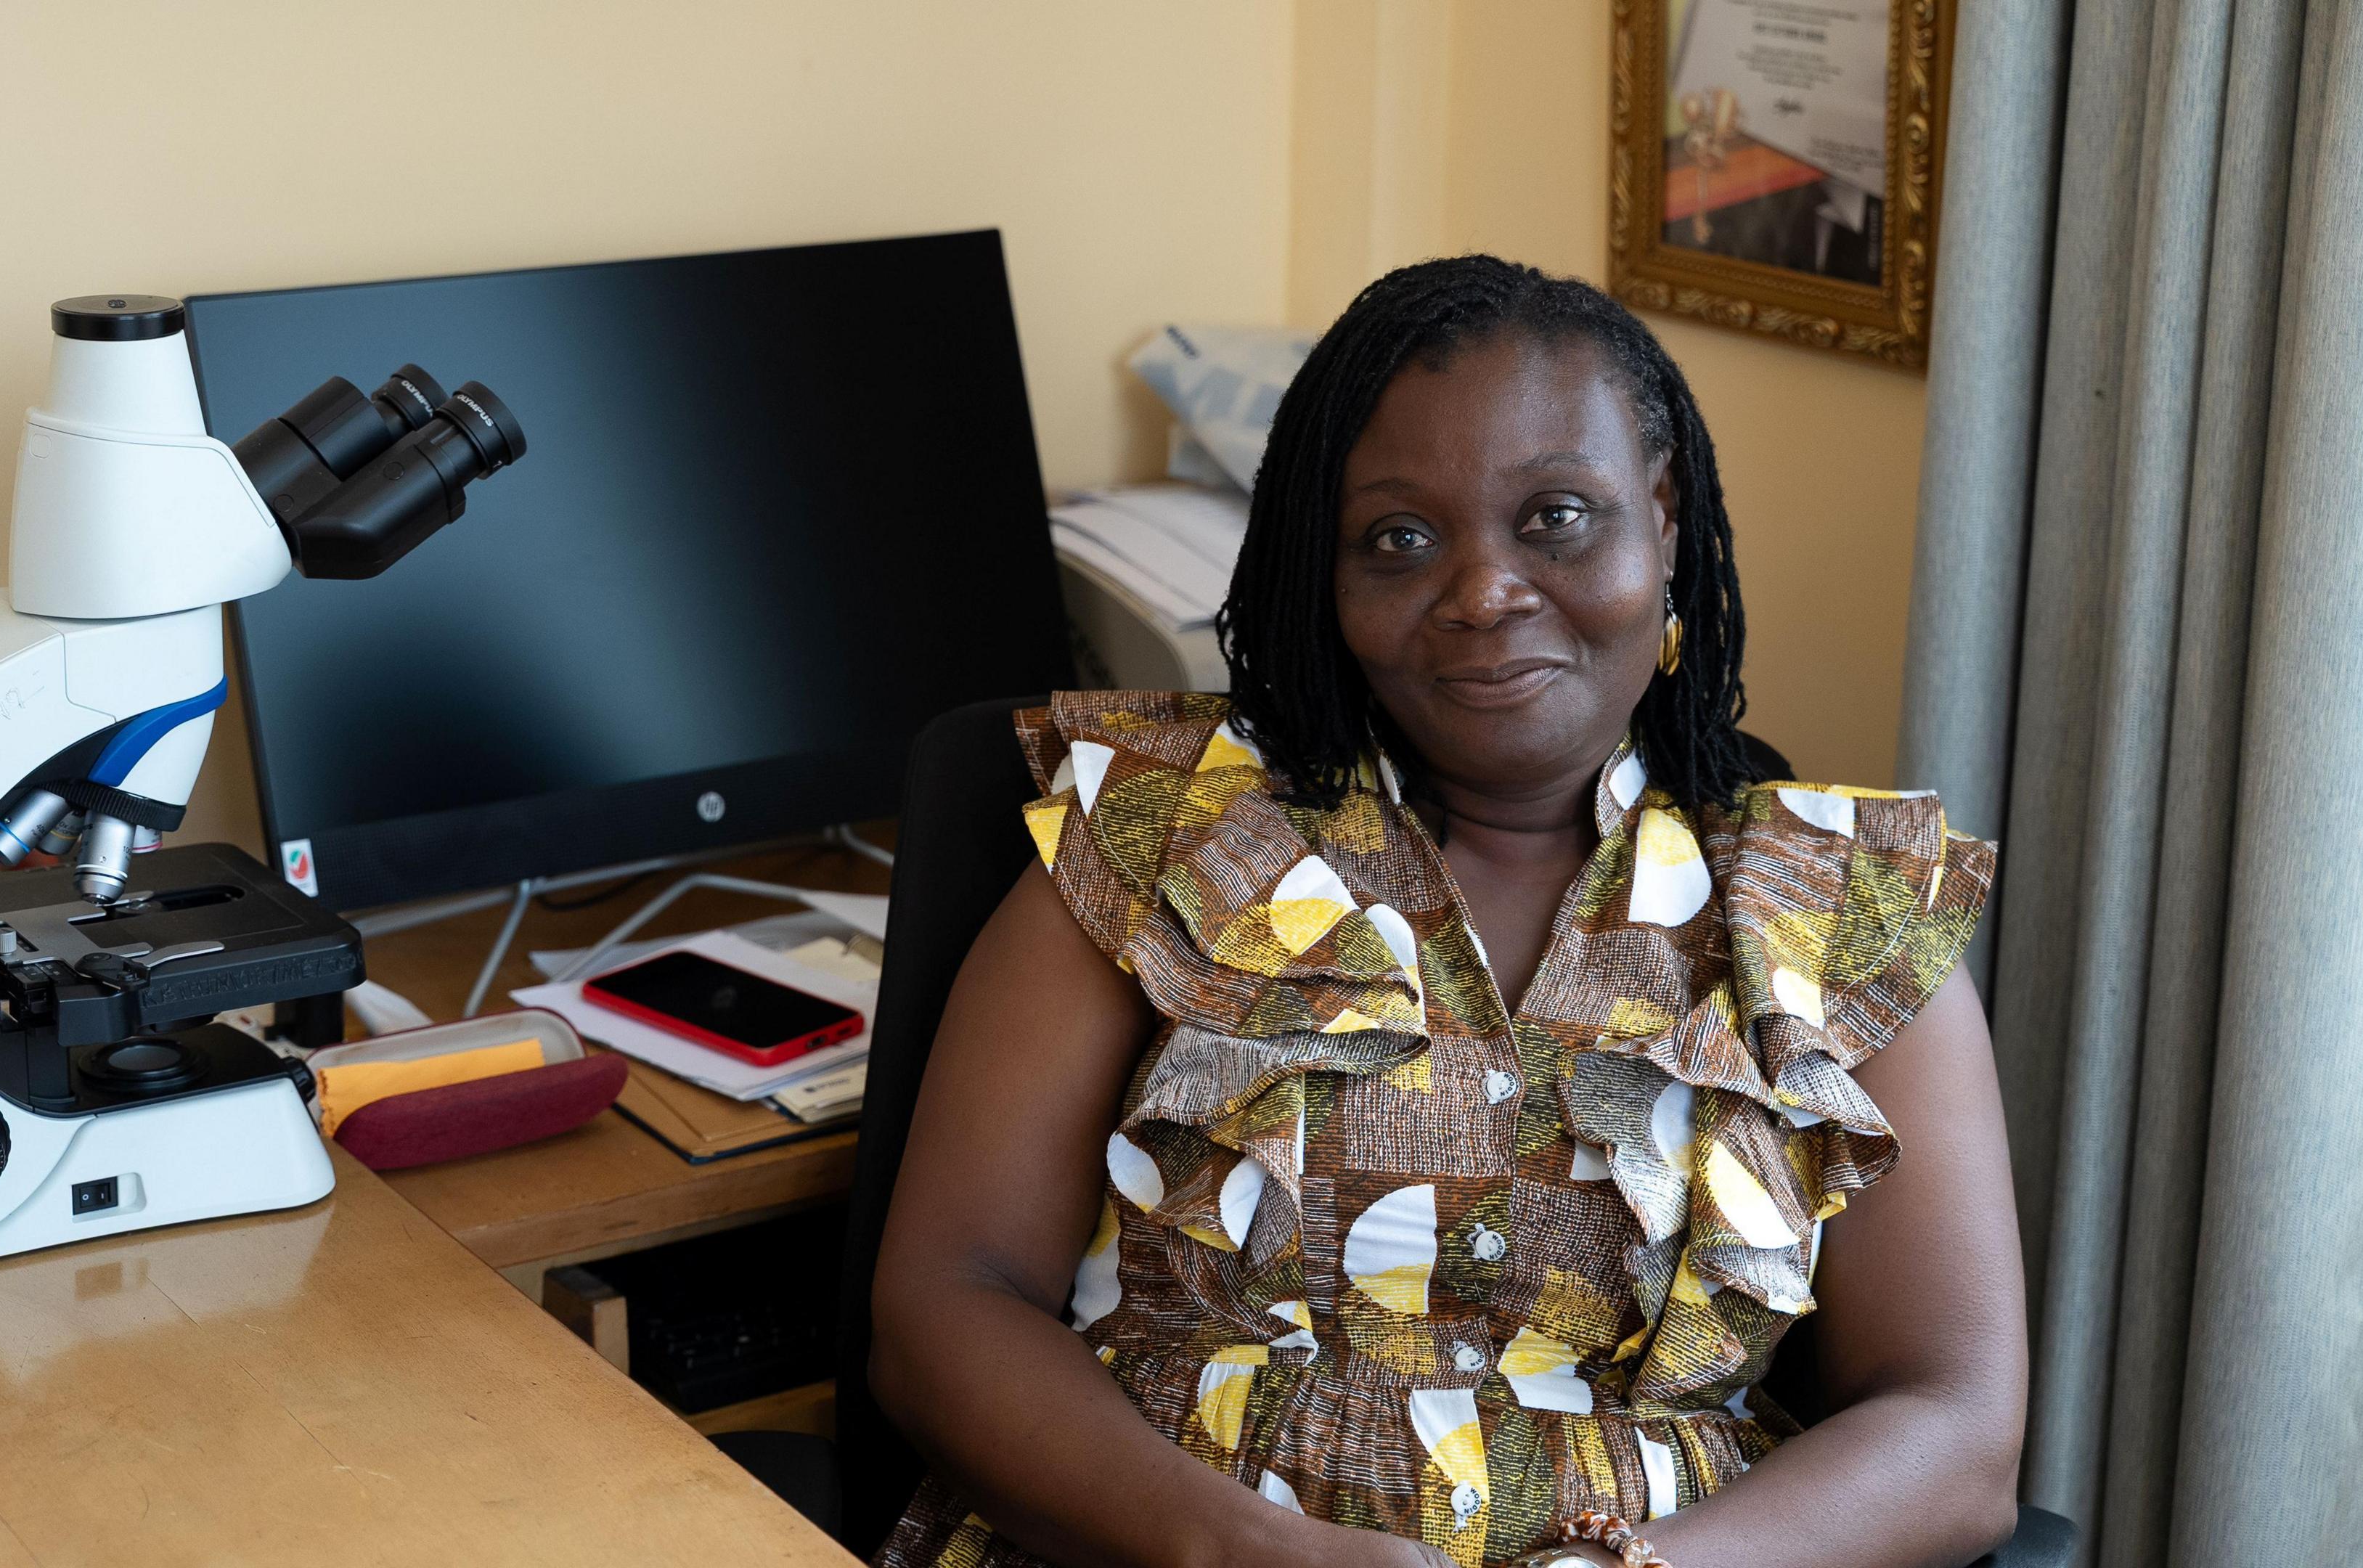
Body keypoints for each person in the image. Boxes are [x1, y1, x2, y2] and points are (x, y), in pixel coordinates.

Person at [867, 256, 2027, 1568]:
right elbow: (945, 1308)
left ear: (1662, 521)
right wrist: (1244, 1554)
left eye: (1558, 517)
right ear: (1330, 576)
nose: (1483, 590)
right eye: (1400, 538)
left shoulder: (1840, 911)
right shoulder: (1164, 838)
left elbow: (1956, 1426)